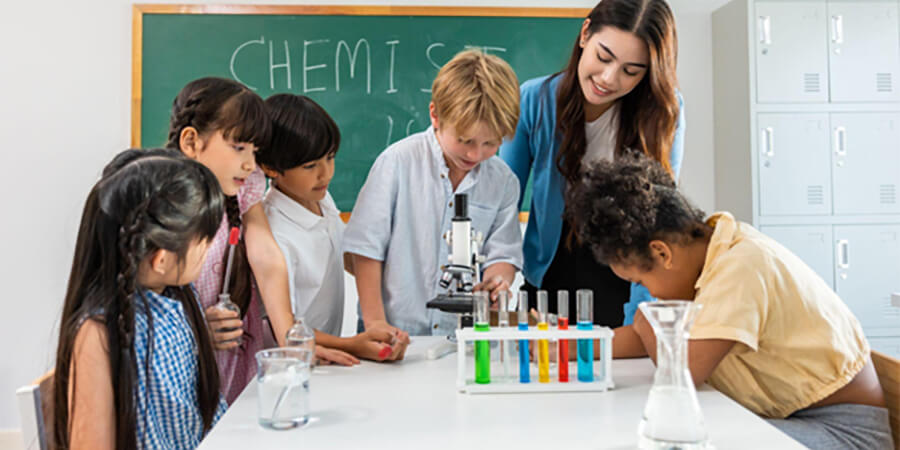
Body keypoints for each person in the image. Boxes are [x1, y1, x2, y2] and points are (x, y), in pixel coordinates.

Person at [566, 154, 894, 450]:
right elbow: (642, 338)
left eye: (641, 282)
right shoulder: (711, 260)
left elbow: (683, 371)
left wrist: (645, 317)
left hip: (844, 433)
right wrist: (565, 347)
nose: (651, 295)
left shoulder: (741, 264)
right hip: (789, 418)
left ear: (662, 253)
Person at [167, 77, 358, 404]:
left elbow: (267, 258)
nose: (249, 163)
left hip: (236, 363)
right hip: (185, 367)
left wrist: (290, 337)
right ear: (191, 142)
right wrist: (196, 330)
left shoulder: (244, 190)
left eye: (254, 151)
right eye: (239, 147)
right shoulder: (162, 204)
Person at [499, 0, 684, 327]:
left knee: (617, 369)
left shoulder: (664, 112)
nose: (609, 79)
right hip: (549, 269)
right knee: (546, 368)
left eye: (631, 71)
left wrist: (641, 314)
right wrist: (499, 274)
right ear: (585, 33)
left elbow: (659, 217)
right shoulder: (534, 99)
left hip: (625, 267)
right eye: (604, 57)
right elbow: (502, 200)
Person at [53, 149, 226, 449]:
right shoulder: (96, 334)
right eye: (205, 239)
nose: (210, 248)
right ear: (161, 260)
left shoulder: (179, 297)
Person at [344, 49, 524, 336]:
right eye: (465, 140)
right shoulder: (397, 163)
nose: (475, 153)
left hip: (461, 335)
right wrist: (376, 323)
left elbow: (503, 254)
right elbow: (365, 252)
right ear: (435, 116)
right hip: (393, 329)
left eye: (491, 143)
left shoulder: (503, 181)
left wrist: (497, 280)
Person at [259, 93, 408, 360]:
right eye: (310, 166)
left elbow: (344, 256)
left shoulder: (320, 197)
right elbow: (284, 328)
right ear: (271, 167)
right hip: (293, 362)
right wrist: (352, 343)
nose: (326, 173)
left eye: (330, 157)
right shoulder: (274, 232)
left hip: (329, 357)